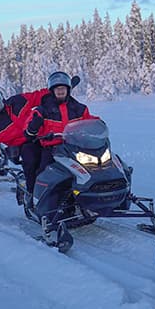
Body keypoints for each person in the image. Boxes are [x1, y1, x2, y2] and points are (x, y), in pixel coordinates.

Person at [23, 71, 96, 228]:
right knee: (44, 171)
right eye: (57, 89)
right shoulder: (43, 109)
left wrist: (98, 124)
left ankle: (88, 199)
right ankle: (38, 201)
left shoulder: (79, 108)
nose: (61, 91)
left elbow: (89, 120)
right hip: (52, 148)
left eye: (63, 88)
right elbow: (29, 129)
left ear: (68, 89)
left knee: (91, 170)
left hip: (75, 147)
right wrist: (34, 126)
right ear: (52, 91)